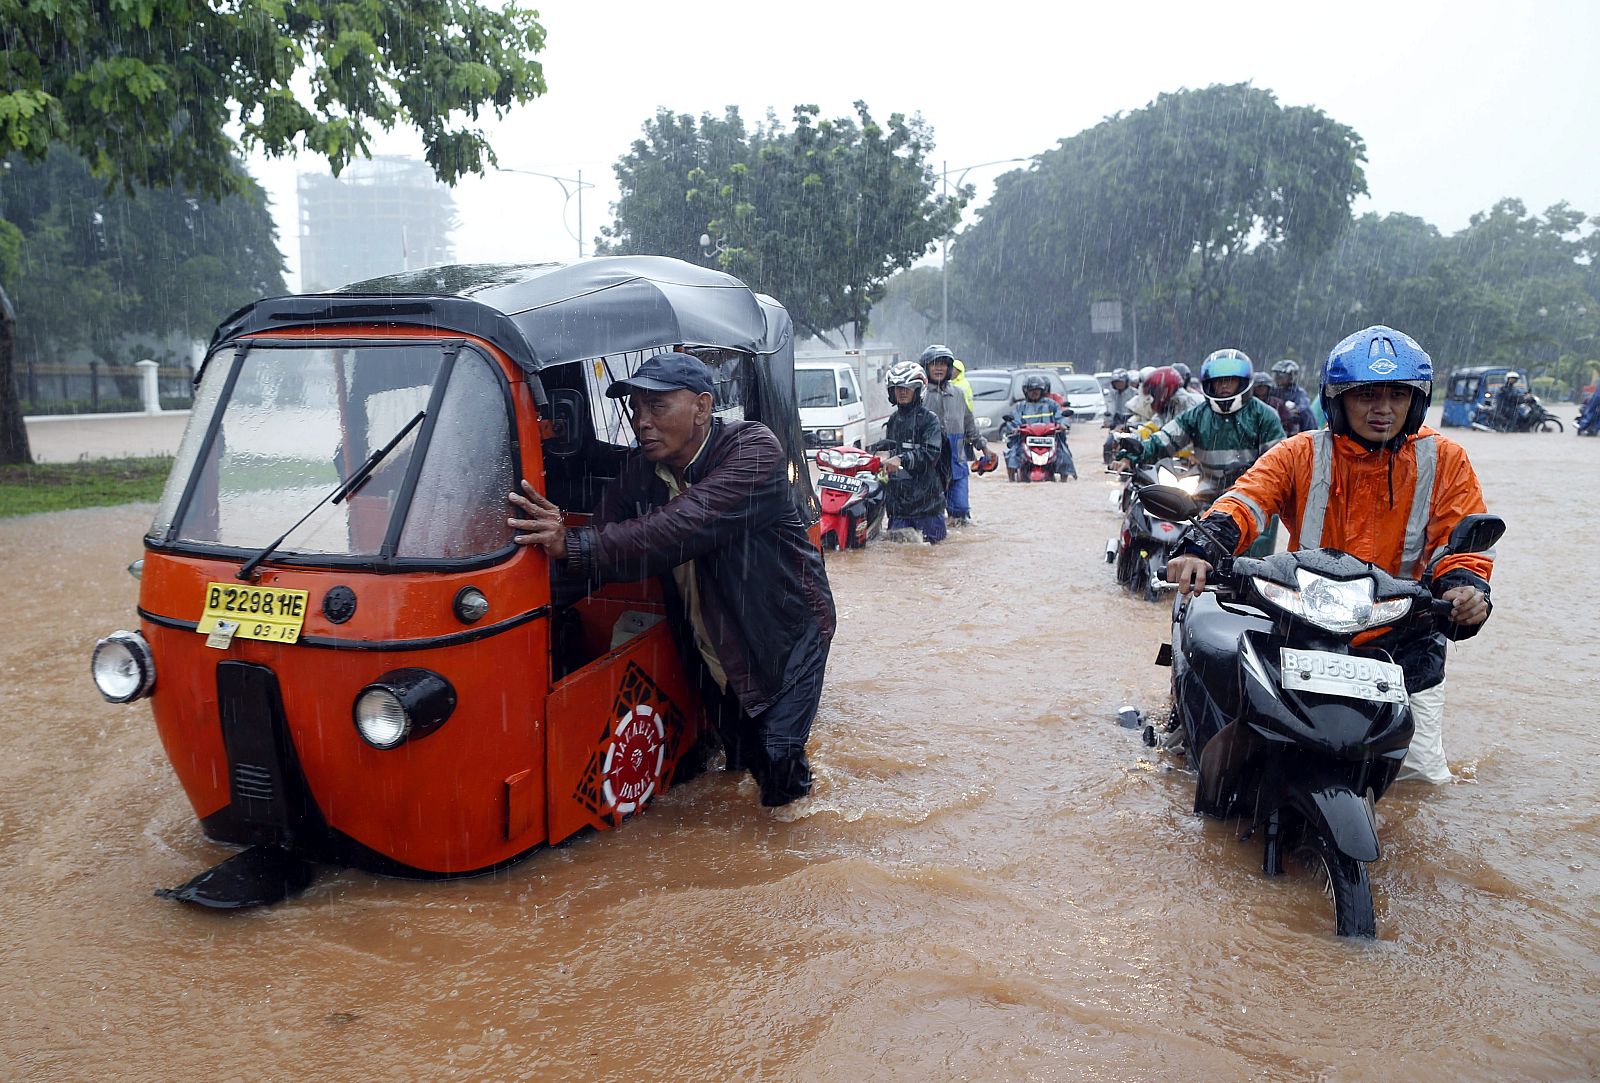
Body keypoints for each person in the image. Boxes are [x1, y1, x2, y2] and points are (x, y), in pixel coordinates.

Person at [1163, 325, 1494, 784]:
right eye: (1367, 395)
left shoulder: (1447, 459)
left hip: (1405, 637)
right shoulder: (1299, 452)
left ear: (1416, 401)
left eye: (1398, 395)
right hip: (1304, 629)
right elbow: (1246, 501)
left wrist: (1465, 590)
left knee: (1421, 783)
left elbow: (1462, 544)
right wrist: (1201, 546)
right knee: (1235, 761)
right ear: (1337, 400)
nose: (1383, 409)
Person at [506, 351, 836, 807]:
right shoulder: (642, 472)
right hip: (710, 638)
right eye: (636, 408)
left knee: (778, 764)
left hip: (784, 634)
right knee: (737, 755)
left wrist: (574, 543)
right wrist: (520, 609)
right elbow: (601, 549)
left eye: (657, 407)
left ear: (702, 408)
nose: (642, 421)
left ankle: (795, 853)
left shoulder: (753, 450)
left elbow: (679, 528)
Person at [1115, 349, 1286, 557]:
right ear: (1209, 384)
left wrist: (1247, 476)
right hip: (1207, 494)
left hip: (1255, 499)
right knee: (1196, 557)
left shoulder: (1265, 415)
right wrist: (1140, 449)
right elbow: (1166, 439)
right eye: (1218, 381)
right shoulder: (1196, 415)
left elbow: (1278, 466)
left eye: (1230, 380)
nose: (1223, 386)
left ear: (1242, 382)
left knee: (1252, 569)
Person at [874, 359, 949, 543]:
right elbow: (891, 453)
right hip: (899, 506)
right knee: (897, 554)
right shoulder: (893, 420)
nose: (902, 392)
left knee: (933, 553)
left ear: (917, 390)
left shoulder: (930, 420)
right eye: (898, 388)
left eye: (907, 388)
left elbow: (931, 453)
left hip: (927, 504)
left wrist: (902, 459)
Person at [920, 345, 988, 525]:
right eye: (934, 364)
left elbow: (969, 424)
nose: (939, 368)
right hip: (929, 462)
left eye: (943, 364)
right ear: (926, 367)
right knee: (929, 512)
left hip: (956, 460)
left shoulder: (958, 394)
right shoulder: (919, 395)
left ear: (950, 368)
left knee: (960, 511)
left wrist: (985, 448)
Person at [1002, 374, 1077, 480]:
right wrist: (1014, 428)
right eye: (1031, 390)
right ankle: (1011, 479)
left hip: (1049, 438)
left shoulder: (1052, 404)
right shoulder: (1020, 406)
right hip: (1025, 439)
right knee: (1012, 454)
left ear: (1042, 391)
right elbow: (1014, 420)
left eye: (1037, 390)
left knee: (1064, 454)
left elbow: (1061, 416)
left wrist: (1063, 425)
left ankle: (1064, 479)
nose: (1034, 393)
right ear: (1026, 391)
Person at [1263, 359, 1317, 436]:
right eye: (1276, 375)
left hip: (1291, 428)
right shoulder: (1272, 391)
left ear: (1291, 377)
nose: (1278, 378)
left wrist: (1290, 411)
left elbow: (1303, 407)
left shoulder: (1298, 392)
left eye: (1281, 375)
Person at [1102, 368, 1139, 465]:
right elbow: (1109, 410)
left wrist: (1129, 424)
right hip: (1117, 423)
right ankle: (1109, 464)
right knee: (1108, 445)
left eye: (1120, 382)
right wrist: (1107, 422)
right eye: (1116, 382)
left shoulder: (1135, 393)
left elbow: (1139, 411)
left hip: (1133, 423)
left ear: (1126, 381)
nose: (1118, 384)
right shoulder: (1111, 394)